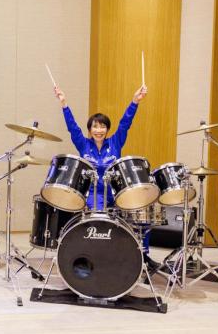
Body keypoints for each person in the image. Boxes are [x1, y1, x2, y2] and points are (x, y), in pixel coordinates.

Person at [54, 83, 159, 272]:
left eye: (102, 126)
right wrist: (64, 104)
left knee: (141, 215)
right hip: (93, 195)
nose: (99, 130)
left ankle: (143, 256)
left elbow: (125, 123)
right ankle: (94, 257)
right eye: (95, 126)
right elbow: (72, 128)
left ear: (107, 129)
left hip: (116, 192)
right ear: (90, 129)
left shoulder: (116, 142)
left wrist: (135, 101)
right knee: (98, 223)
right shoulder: (83, 144)